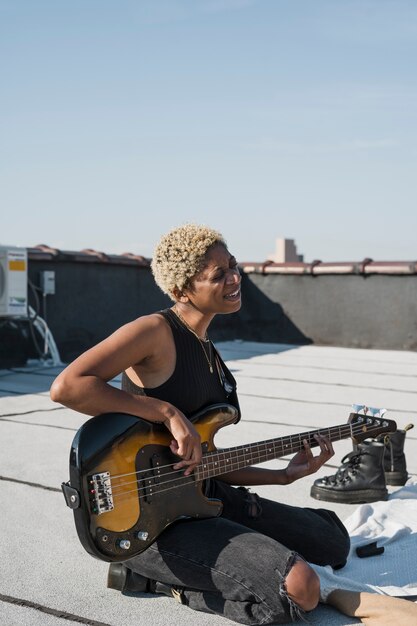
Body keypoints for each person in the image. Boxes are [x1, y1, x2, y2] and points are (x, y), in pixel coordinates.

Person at [51, 223, 352, 624]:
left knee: (332, 542)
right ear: (180, 291)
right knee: (298, 590)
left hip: (205, 495)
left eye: (233, 266)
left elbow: (204, 459)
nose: (234, 278)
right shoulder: (155, 331)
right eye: (218, 275)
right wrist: (166, 412)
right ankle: (153, 578)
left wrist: (282, 475)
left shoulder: (208, 348)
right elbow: (68, 387)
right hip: (150, 522)